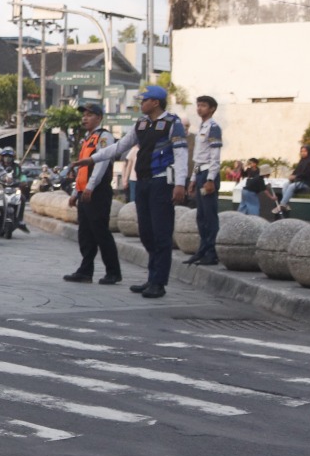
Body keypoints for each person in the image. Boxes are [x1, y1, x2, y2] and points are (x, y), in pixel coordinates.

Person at [74, 84, 187, 299]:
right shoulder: (142, 124)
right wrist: (92, 158)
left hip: (161, 183)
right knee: (146, 232)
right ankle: (152, 276)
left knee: (161, 234)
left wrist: (180, 184)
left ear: (155, 102)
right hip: (143, 183)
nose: (141, 104)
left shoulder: (173, 124)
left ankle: (158, 282)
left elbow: (181, 155)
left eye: (144, 100)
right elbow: (118, 147)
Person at [64, 103, 122, 285]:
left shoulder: (104, 136)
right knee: (85, 234)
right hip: (84, 192)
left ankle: (113, 272)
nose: (85, 118)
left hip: (97, 192)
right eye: (84, 115)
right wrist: (75, 192)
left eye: (89, 114)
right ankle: (85, 271)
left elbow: (102, 163)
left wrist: (90, 186)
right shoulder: (87, 138)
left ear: (99, 117)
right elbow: (82, 168)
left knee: (101, 233)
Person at [185, 95, 223, 265]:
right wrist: (193, 178)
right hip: (200, 173)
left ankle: (211, 252)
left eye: (203, 106)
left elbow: (214, 157)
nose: (199, 108)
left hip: (208, 175)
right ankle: (202, 249)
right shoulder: (202, 126)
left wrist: (210, 180)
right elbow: (198, 159)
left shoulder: (213, 128)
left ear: (212, 108)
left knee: (209, 215)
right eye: (198, 105)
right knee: (201, 215)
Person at [275, 144, 310, 216]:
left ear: (309, 152)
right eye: (302, 151)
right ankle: (285, 205)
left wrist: (295, 177)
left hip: (308, 183)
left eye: (305, 151)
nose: (303, 153)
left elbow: (307, 174)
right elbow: (297, 171)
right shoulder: (302, 161)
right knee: (286, 184)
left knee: (292, 186)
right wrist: (291, 176)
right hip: (299, 181)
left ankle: (282, 205)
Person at [0, 148, 31, 233]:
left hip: (14, 188)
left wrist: (24, 181)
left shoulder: (17, 167)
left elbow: (22, 175)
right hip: (1, 188)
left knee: (22, 198)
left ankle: (20, 219)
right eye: (5, 156)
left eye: (9, 157)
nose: (7, 159)